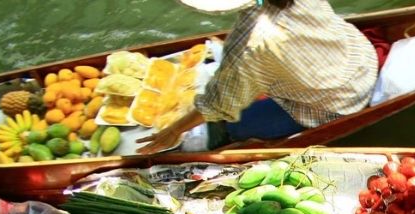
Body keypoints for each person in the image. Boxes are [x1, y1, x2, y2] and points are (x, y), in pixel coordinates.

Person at [140, 0, 379, 153]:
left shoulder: (252, 44)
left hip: (336, 104)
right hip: (362, 58)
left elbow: (217, 105)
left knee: (233, 125)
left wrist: (174, 130)